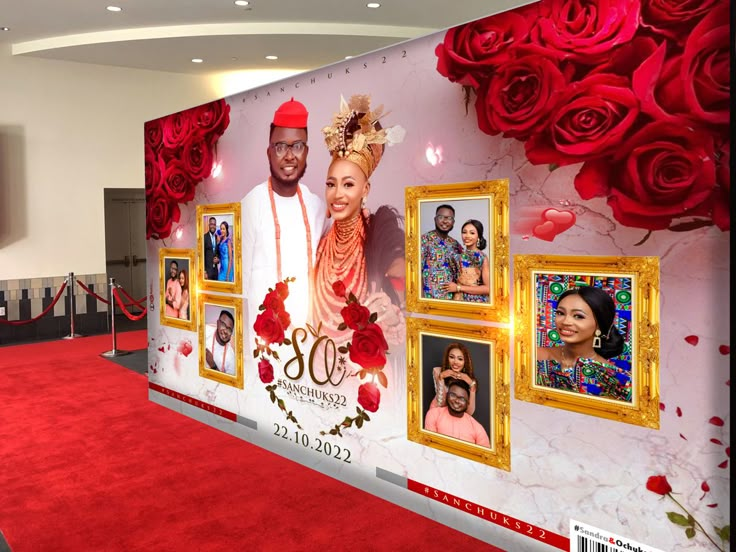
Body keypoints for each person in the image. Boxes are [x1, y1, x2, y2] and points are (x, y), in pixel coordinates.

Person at [312, 94, 406, 338]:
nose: (337, 194)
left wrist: (393, 316)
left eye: (348, 184)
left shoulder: (380, 244)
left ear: (365, 190)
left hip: (363, 373)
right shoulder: (318, 242)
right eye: (331, 184)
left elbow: (408, 314)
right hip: (313, 369)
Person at [241, 98, 326, 330]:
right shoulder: (250, 205)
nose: (289, 156)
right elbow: (239, 288)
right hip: (263, 343)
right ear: (269, 152)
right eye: (280, 147)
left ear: (306, 152)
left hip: (309, 342)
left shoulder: (318, 207)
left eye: (297, 146)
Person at [536, 286, 630, 401]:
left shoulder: (615, 379)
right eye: (560, 313)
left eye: (578, 316)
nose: (565, 321)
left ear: (599, 325)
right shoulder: (535, 355)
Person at [424, 380, 490, 448]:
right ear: (447, 395)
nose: (457, 401)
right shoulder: (434, 414)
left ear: (468, 403)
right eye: (453, 395)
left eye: (462, 399)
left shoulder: (477, 428)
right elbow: (430, 447)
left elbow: (485, 456)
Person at [442, 219, 490, 302]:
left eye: (472, 233)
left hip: (476, 301)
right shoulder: (456, 256)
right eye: (464, 232)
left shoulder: (482, 257)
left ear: (479, 236)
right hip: (458, 299)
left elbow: (488, 288)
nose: (467, 236)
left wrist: (458, 288)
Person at [421, 205, 463, 300]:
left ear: (453, 222)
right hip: (429, 299)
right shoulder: (424, 240)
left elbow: (463, 271)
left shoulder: (455, 244)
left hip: (451, 300)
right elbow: (416, 271)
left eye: (449, 218)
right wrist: (420, 298)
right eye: (441, 217)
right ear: (435, 219)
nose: (445, 221)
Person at [429, 342, 478, 416]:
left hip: (456, 419)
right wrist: (441, 378)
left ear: (465, 362)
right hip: (438, 414)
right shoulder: (438, 371)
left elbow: (469, 413)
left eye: (460, 359)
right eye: (452, 357)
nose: (455, 362)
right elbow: (440, 404)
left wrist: (471, 384)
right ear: (447, 358)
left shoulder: (470, 381)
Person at [205, 310, 236, 375]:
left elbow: (227, 383)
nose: (225, 331)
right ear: (218, 323)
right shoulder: (205, 331)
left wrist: (213, 365)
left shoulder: (231, 357)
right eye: (223, 325)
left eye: (229, 329)